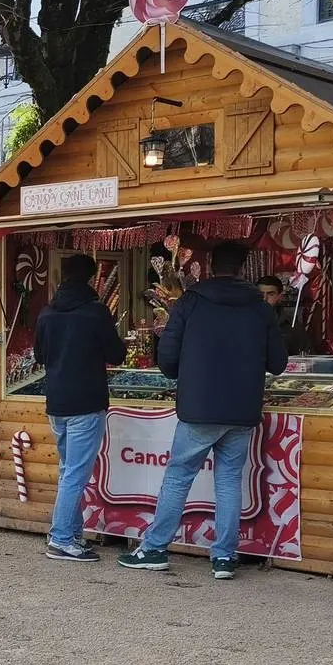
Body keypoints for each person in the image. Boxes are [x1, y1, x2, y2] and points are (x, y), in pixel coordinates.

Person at [118, 242, 287, 580]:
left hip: (199, 407)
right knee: (228, 481)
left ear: (210, 264)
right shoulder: (259, 307)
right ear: (243, 269)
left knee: (179, 477)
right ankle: (224, 558)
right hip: (242, 409)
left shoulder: (191, 302)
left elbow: (167, 352)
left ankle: (154, 549)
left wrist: (182, 372)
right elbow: (278, 362)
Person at [33, 254, 128, 562]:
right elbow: (115, 354)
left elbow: (39, 356)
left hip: (57, 401)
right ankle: (61, 539)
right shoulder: (95, 312)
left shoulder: (47, 313)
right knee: (75, 473)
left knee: (67, 470)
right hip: (86, 402)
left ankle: (72, 534)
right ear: (91, 277)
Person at [256, 274, 310, 355]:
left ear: (279, 297)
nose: (265, 299)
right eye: (261, 294)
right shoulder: (244, 320)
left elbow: (304, 355)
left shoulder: (290, 324)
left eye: (270, 294)